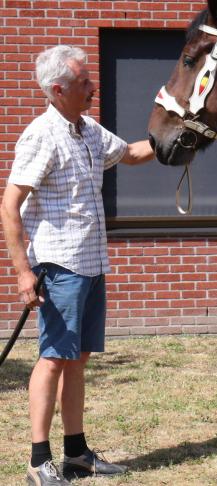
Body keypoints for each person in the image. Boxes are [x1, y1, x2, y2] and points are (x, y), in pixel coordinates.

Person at [0, 45, 154, 485]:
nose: (93, 86)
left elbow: (131, 154)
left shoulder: (87, 129)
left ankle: (76, 453)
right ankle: (37, 461)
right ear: (57, 89)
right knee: (52, 359)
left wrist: (181, 138)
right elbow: (9, 207)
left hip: (90, 263)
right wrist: (22, 272)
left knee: (77, 359)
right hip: (59, 267)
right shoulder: (41, 136)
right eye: (84, 82)